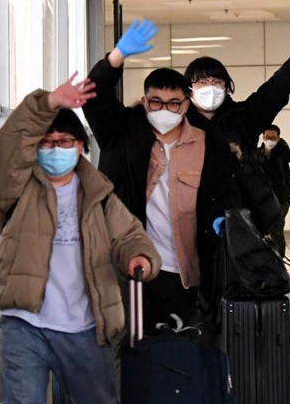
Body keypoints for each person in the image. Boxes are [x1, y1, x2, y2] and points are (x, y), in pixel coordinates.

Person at [0, 75, 161, 404]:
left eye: (65, 141)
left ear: (81, 148)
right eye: (47, 142)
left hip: (83, 324)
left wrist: (140, 258)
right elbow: (8, 146)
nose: (55, 148)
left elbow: (130, 237)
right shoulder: (17, 189)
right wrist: (47, 102)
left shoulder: (101, 197)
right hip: (24, 321)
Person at [83, 19, 240, 331]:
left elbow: (223, 192)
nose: (164, 110)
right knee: (134, 346)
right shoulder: (122, 133)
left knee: (185, 346)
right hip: (132, 267)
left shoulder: (207, 142)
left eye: (173, 103)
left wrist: (221, 219)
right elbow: (94, 97)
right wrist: (116, 58)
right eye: (156, 102)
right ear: (145, 102)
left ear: (186, 105)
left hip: (187, 272)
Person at [182, 21, 290, 238]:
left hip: (244, 217)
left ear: (226, 87)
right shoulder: (179, 125)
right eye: (202, 82)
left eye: (217, 82)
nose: (210, 88)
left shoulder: (243, 118)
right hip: (191, 219)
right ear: (189, 89)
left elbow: (278, 87)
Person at [257, 124, 290, 255]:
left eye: (273, 137)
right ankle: (270, 257)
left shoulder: (282, 152)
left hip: (281, 198)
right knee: (265, 229)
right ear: (263, 137)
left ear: (278, 138)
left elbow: (289, 155)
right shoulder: (258, 154)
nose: (269, 140)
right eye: (267, 137)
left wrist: (281, 145)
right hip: (264, 199)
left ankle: (279, 257)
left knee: (276, 227)